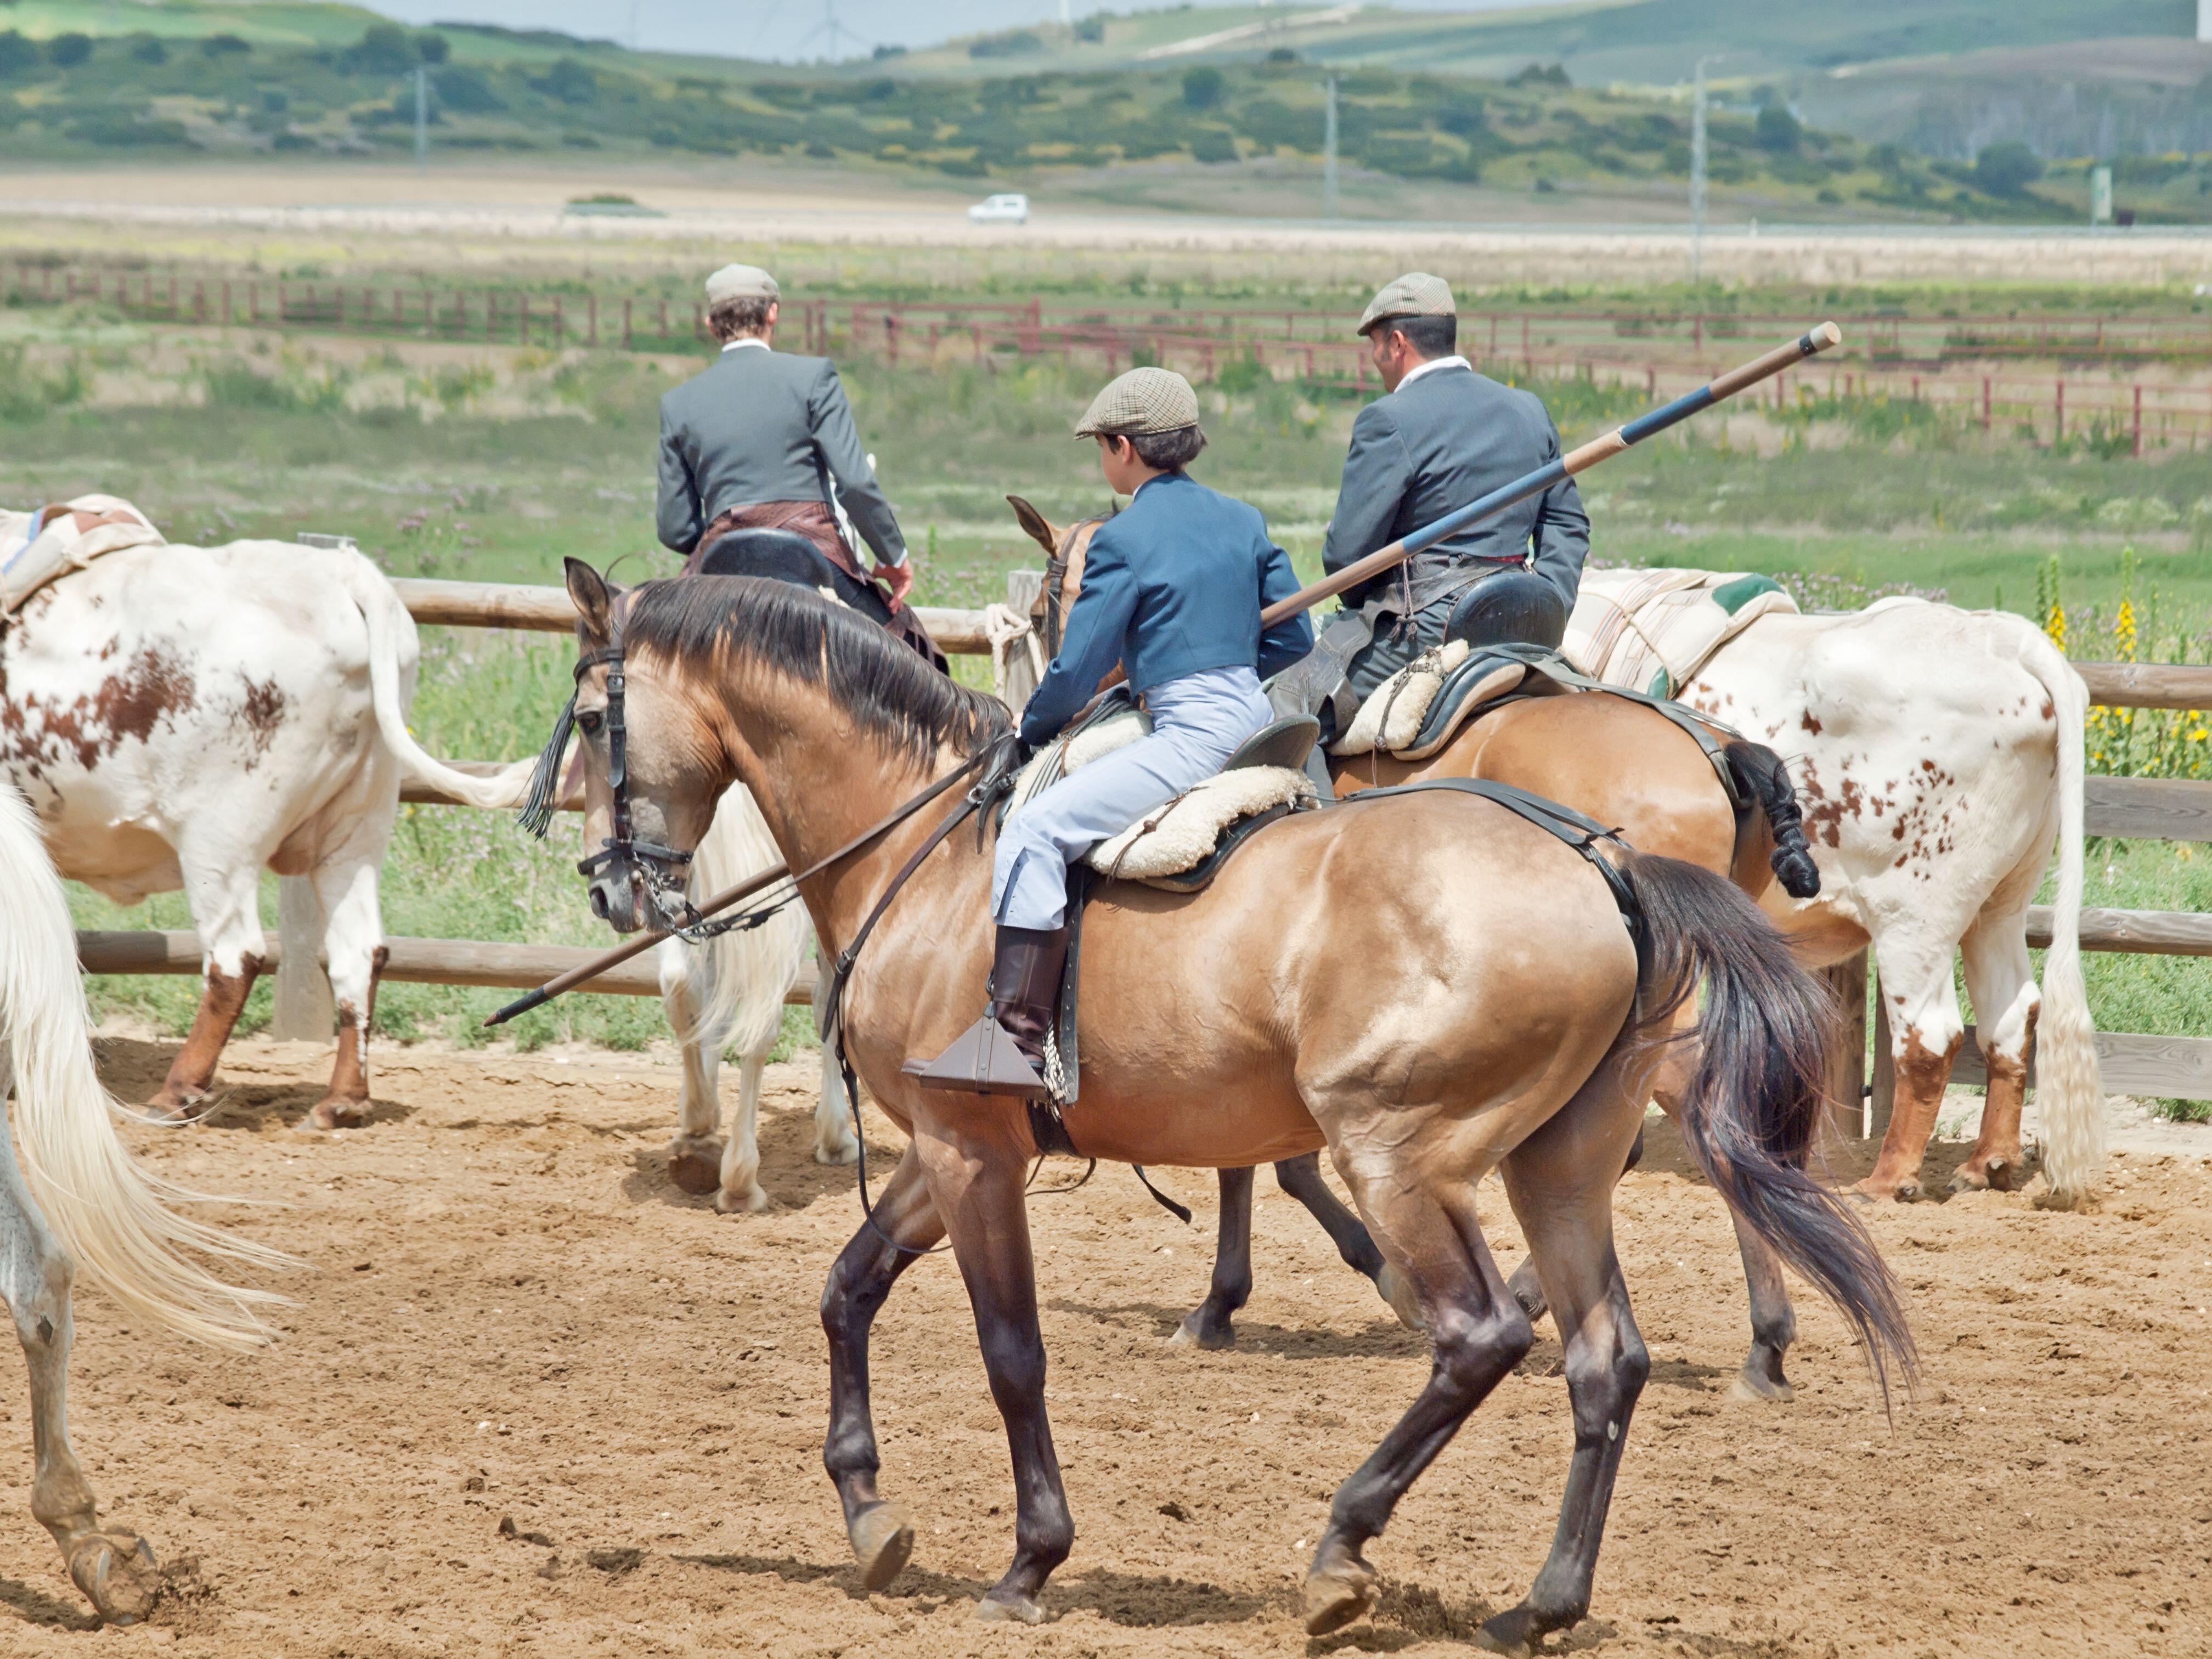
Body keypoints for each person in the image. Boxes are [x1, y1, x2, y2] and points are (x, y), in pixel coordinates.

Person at [908, 368, 1313, 1098]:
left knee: (1032, 829)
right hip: (1259, 716)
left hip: (1191, 734)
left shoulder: (1123, 540)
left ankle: (1017, 1044)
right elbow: (1294, 638)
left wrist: (1029, 730)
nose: (1103, 458)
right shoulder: (1243, 520)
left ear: (1123, 448)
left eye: (1101, 446)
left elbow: (1075, 672)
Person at [1271, 272, 1590, 742]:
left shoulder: (1389, 419)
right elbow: (1566, 521)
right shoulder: (1528, 408)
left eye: (1376, 347)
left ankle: (1313, 815)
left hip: (1427, 628)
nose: (1377, 361)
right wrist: (1547, 603)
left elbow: (1346, 558)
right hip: (1523, 615)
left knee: (1288, 705)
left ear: (1397, 344)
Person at [654, 261, 922, 620]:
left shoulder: (678, 403)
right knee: (913, 655)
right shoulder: (814, 378)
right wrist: (893, 556)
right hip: (814, 559)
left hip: (720, 573)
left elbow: (675, 529)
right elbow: (855, 482)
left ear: (711, 325)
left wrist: (730, 540)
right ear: (773, 313)